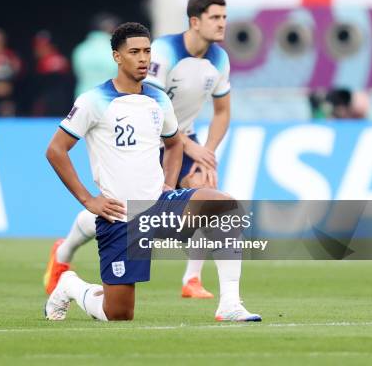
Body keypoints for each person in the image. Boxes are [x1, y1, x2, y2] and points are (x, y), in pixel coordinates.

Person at [44, 22, 260, 322]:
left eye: (147, 51)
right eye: (134, 52)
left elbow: (173, 145)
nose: (143, 58)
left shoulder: (159, 99)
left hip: (159, 206)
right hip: (121, 216)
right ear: (117, 57)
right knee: (118, 314)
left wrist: (169, 184)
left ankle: (230, 303)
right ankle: (70, 284)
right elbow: (55, 150)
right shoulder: (94, 101)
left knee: (223, 204)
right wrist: (88, 200)